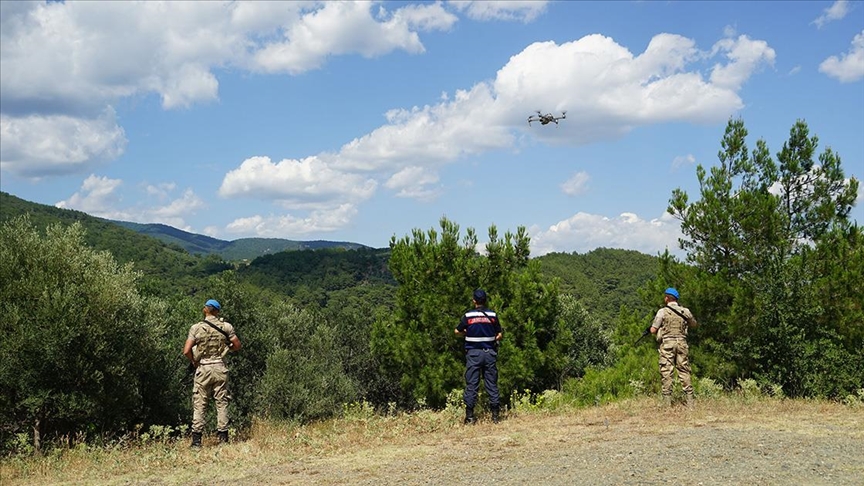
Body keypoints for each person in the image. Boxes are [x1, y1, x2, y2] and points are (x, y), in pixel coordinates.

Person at [183, 299, 242, 447]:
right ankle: (223, 439)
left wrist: (194, 361)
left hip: (203, 368)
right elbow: (237, 345)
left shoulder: (196, 328)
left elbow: (186, 350)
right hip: (220, 367)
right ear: (217, 311)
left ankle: (196, 442)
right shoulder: (226, 327)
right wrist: (227, 349)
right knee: (221, 403)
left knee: (200, 404)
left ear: (205, 310)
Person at [455, 289, 503, 424]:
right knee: (491, 383)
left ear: (474, 301)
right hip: (489, 353)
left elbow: (456, 331)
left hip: (473, 354)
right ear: (485, 300)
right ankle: (495, 417)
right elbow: (499, 334)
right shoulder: (492, 315)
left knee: (472, 384)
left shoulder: (468, 316)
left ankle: (470, 417)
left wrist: (467, 333)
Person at [650, 288, 698, 408]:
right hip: (682, 343)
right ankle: (690, 403)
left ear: (667, 298)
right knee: (684, 370)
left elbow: (653, 330)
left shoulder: (662, 312)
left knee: (667, 371)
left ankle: (667, 404)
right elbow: (694, 324)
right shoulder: (685, 311)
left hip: (667, 344)